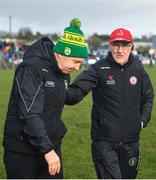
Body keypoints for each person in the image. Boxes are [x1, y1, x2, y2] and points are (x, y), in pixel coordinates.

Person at [3, 18, 88, 179]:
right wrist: (47, 151)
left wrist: (91, 79)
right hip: (23, 151)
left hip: (51, 146)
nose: (77, 67)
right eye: (76, 62)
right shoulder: (31, 69)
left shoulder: (63, 73)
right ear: (64, 52)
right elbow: (30, 114)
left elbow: (67, 96)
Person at [65, 28, 154, 179]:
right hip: (105, 143)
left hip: (131, 143)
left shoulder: (138, 69)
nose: (120, 50)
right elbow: (74, 94)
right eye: (116, 45)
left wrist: (142, 121)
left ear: (131, 46)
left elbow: (148, 97)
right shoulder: (99, 68)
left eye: (124, 45)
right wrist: (61, 79)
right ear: (109, 46)